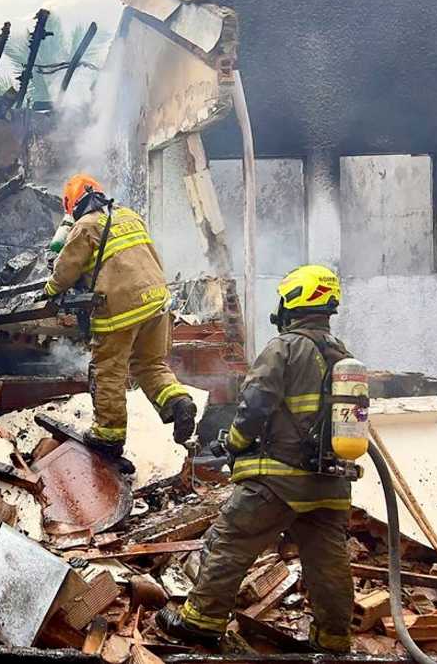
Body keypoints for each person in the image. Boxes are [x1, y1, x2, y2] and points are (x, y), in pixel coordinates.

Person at [156, 265, 355, 654]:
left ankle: (200, 621)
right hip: (330, 484)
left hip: (278, 480)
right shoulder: (342, 356)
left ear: (293, 301)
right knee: (328, 562)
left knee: (229, 540)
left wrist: (233, 442)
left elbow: (255, 406)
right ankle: (333, 638)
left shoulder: (284, 348)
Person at [41, 174, 196, 458]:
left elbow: (65, 270)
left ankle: (108, 435)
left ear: (73, 205)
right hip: (157, 301)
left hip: (120, 309)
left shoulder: (85, 226)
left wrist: (49, 289)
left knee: (108, 370)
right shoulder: (129, 216)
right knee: (150, 364)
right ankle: (178, 401)